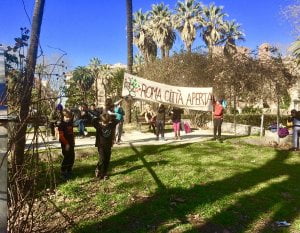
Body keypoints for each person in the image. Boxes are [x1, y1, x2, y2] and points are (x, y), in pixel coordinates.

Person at [92, 113, 119, 180]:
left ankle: (104, 173)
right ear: (101, 121)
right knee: (102, 159)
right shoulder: (99, 126)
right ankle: (98, 169)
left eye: (107, 122)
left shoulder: (111, 125)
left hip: (108, 145)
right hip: (100, 146)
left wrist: (109, 117)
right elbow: (93, 121)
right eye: (104, 122)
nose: (106, 124)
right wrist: (101, 117)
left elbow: (117, 120)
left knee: (107, 159)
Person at [58, 110, 75, 180]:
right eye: (66, 117)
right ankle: (63, 171)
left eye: (69, 117)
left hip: (71, 143)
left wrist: (73, 141)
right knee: (66, 157)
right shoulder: (61, 125)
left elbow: (72, 133)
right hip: (65, 144)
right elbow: (61, 137)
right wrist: (66, 144)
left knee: (72, 156)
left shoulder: (70, 123)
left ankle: (69, 170)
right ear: (63, 117)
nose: (68, 118)